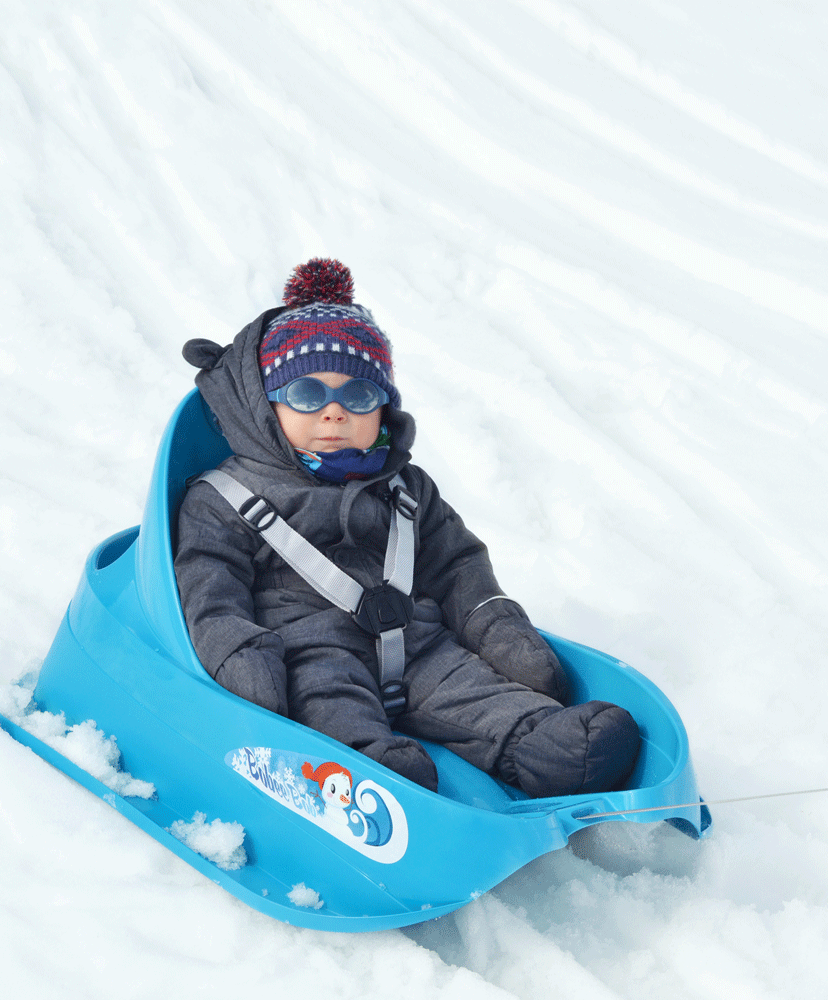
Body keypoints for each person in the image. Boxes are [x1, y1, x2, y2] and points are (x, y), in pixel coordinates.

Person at [174, 258, 639, 797]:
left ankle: (542, 746)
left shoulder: (405, 487)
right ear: (267, 405)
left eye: (358, 396)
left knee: (476, 689)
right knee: (327, 708)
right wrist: (240, 655)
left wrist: (496, 626)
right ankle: (373, 779)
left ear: (383, 408)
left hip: (419, 644)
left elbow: (456, 564)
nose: (333, 413)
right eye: (306, 395)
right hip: (306, 652)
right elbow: (209, 589)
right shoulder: (224, 498)